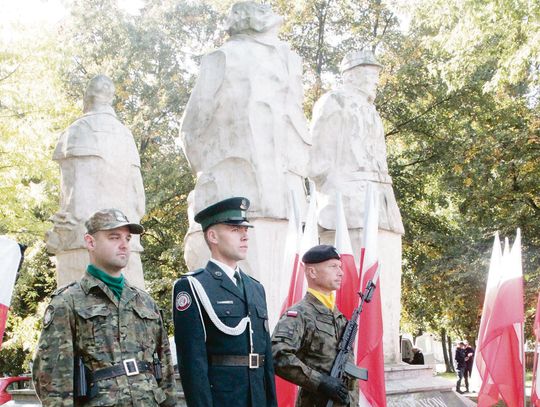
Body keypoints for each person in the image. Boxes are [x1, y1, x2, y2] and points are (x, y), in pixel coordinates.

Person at [33, 208, 176, 406]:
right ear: (90, 242)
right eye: (114, 237)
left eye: (127, 238)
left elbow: (166, 373)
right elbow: (53, 381)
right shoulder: (67, 302)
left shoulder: (145, 302)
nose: (124, 245)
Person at [172, 197, 277, 407]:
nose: (245, 236)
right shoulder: (193, 286)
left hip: (258, 398)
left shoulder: (256, 288)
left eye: (245, 230)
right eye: (234, 229)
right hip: (224, 399)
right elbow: (193, 364)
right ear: (213, 236)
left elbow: (265, 358)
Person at [272, 245, 358, 407]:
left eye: (340, 267)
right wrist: (320, 382)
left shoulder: (339, 316)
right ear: (312, 272)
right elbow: (278, 355)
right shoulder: (299, 314)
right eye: (333, 267)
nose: (340, 272)